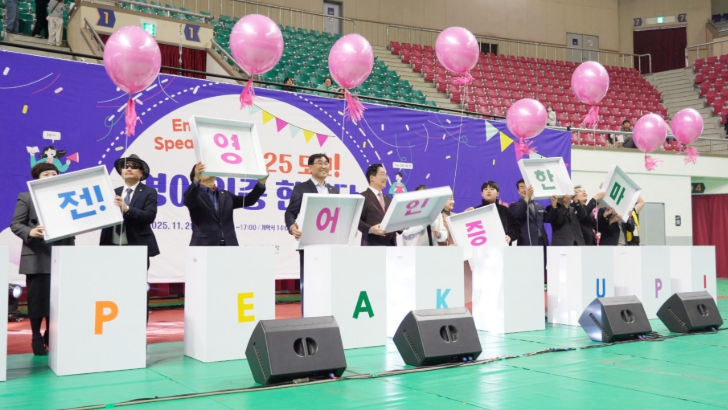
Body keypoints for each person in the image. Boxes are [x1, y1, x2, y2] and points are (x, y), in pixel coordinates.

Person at [10, 163, 75, 356]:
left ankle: (50, 334)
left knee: (58, 299)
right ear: (37, 178)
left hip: (62, 253)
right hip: (37, 256)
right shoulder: (26, 197)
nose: (51, 176)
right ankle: (36, 336)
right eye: (46, 174)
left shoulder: (67, 197)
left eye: (54, 173)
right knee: (37, 300)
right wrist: (30, 232)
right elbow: (16, 224)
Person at [284, 153, 339, 314]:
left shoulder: (334, 191)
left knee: (329, 283)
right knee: (309, 284)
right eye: (320, 163)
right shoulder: (301, 188)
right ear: (310, 167)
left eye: (326, 163)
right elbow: (290, 212)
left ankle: (328, 315)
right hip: (308, 245)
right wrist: (292, 226)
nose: (324, 166)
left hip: (330, 245)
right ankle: (308, 317)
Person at [184, 162, 268, 246]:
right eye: (203, 170)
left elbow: (249, 200)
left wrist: (261, 183)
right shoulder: (194, 195)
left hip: (229, 244)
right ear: (196, 176)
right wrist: (196, 180)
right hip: (203, 245)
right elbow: (188, 200)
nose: (208, 171)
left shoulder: (225, 195)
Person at [99, 154, 160, 269]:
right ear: (121, 172)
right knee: (111, 277)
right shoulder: (112, 192)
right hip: (111, 245)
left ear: (141, 173)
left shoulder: (149, 192)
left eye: (134, 166)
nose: (129, 168)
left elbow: (149, 216)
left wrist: (127, 208)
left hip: (137, 246)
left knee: (136, 278)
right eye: (125, 166)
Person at [470, 181, 521, 246]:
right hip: (482, 247)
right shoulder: (476, 211)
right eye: (486, 189)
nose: (489, 191)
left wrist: (510, 236)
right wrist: (467, 216)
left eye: (492, 189)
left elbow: (516, 227)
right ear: (482, 194)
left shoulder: (505, 210)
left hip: (502, 246)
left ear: (497, 193)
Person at [358, 163, 397, 246]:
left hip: (391, 246)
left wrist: (401, 226)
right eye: (382, 174)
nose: (385, 178)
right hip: (372, 245)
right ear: (372, 177)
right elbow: (356, 220)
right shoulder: (363, 197)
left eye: (386, 175)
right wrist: (370, 229)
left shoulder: (387, 199)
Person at [509, 179, 548, 247]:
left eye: (527, 187)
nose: (525, 190)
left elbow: (548, 219)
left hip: (542, 242)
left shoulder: (539, 206)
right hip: (526, 242)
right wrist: (527, 198)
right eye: (522, 187)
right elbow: (518, 215)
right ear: (518, 191)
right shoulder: (514, 206)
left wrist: (554, 206)